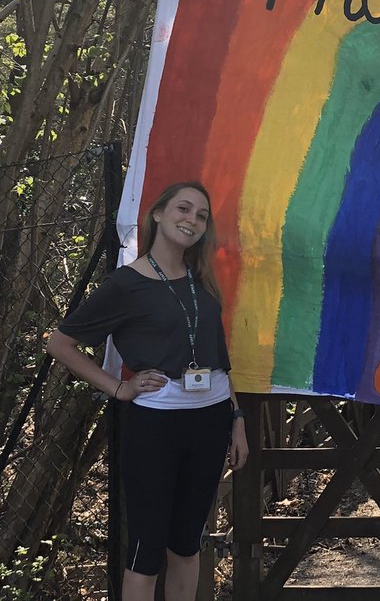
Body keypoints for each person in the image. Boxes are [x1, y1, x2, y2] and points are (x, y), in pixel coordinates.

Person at [46, 182, 248, 601]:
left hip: (211, 420)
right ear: (158, 213)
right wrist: (118, 388)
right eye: (183, 208)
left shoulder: (202, 280)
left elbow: (218, 357)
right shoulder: (126, 283)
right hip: (154, 425)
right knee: (145, 550)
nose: (191, 220)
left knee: (187, 544)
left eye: (201, 215)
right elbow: (59, 343)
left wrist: (238, 420)